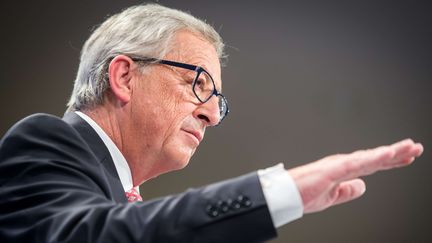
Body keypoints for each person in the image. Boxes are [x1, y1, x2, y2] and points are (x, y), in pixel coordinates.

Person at [0, 3, 423, 243]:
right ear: (124, 77)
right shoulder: (44, 140)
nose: (211, 113)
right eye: (197, 84)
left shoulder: (127, 201)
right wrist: (278, 193)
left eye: (219, 100)